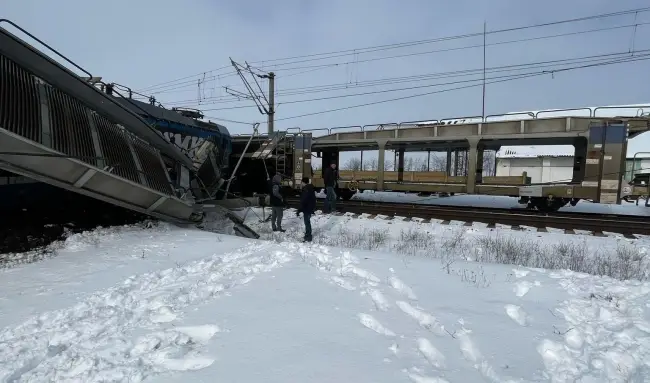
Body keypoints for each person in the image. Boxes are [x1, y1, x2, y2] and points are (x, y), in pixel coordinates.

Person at [296, 176, 316, 242]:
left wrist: (299, 209)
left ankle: (308, 237)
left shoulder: (306, 189)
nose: (301, 183)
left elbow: (304, 200)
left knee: (307, 222)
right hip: (309, 208)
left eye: (301, 182)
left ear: (303, 182)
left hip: (307, 208)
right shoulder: (310, 188)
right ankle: (307, 235)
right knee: (307, 222)